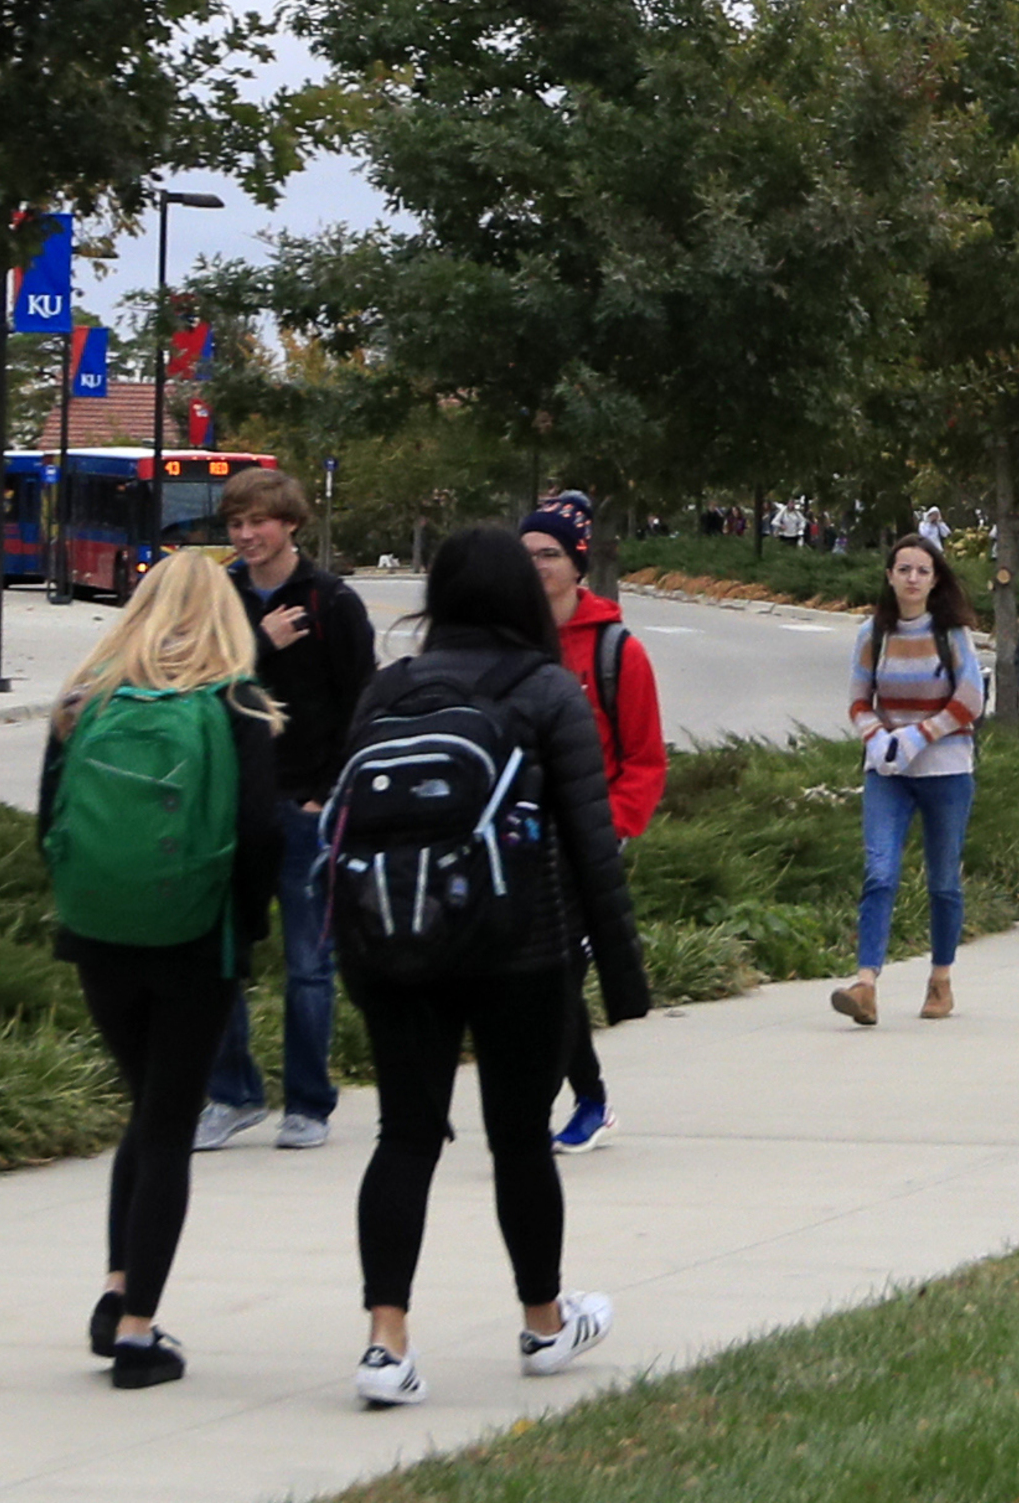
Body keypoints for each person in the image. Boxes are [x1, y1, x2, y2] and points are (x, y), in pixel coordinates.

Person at [333, 526, 649, 1409]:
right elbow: (591, 839)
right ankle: (545, 1322)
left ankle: (385, 1342)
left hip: (394, 942)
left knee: (405, 1134)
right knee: (520, 1141)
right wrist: (622, 978)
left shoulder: (387, 689)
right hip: (522, 947)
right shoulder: (548, 689)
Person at [40, 552, 286, 1388]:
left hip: (99, 933)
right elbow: (259, 833)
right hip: (197, 940)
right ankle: (139, 1328)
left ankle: (116, 1290)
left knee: (145, 1107)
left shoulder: (84, 703)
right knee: (170, 1122)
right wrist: (248, 927)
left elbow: (50, 821)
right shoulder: (238, 701)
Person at [201, 470, 375, 1152]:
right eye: (236, 523)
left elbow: (363, 705)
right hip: (228, 806)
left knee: (309, 963)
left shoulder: (333, 601)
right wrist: (259, 644)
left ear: (291, 523)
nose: (245, 535)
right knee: (220, 959)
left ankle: (308, 1102)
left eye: (259, 522)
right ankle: (231, 1093)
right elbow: (196, 688)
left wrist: (327, 792)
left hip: (306, 806)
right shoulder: (220, 597)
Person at [523, 500, 664, 1154]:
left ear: (577, 564)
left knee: (559, 975)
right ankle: (591, 1097)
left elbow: (644, 758)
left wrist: (609, 827)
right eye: (525, 555)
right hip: (518, 839)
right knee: (539, 975)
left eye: (549, 554)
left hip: (588, 840)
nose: (537, 566)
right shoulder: (510, 644)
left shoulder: (616, 650)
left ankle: (533, 1108)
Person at [834, 534, 984, 1028]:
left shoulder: (952, 634)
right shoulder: (872, 634)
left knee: (943, 880)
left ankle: (940, 977)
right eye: (904, 570)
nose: (912, 579)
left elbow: (970, 699)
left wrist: (921, 735)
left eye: (922, 570)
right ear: (890, 576)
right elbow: (858, 699)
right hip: (888, 772)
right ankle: (866, 983)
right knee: (879, 871)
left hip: (945, 769)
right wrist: (876, 737)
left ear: (935, 578)